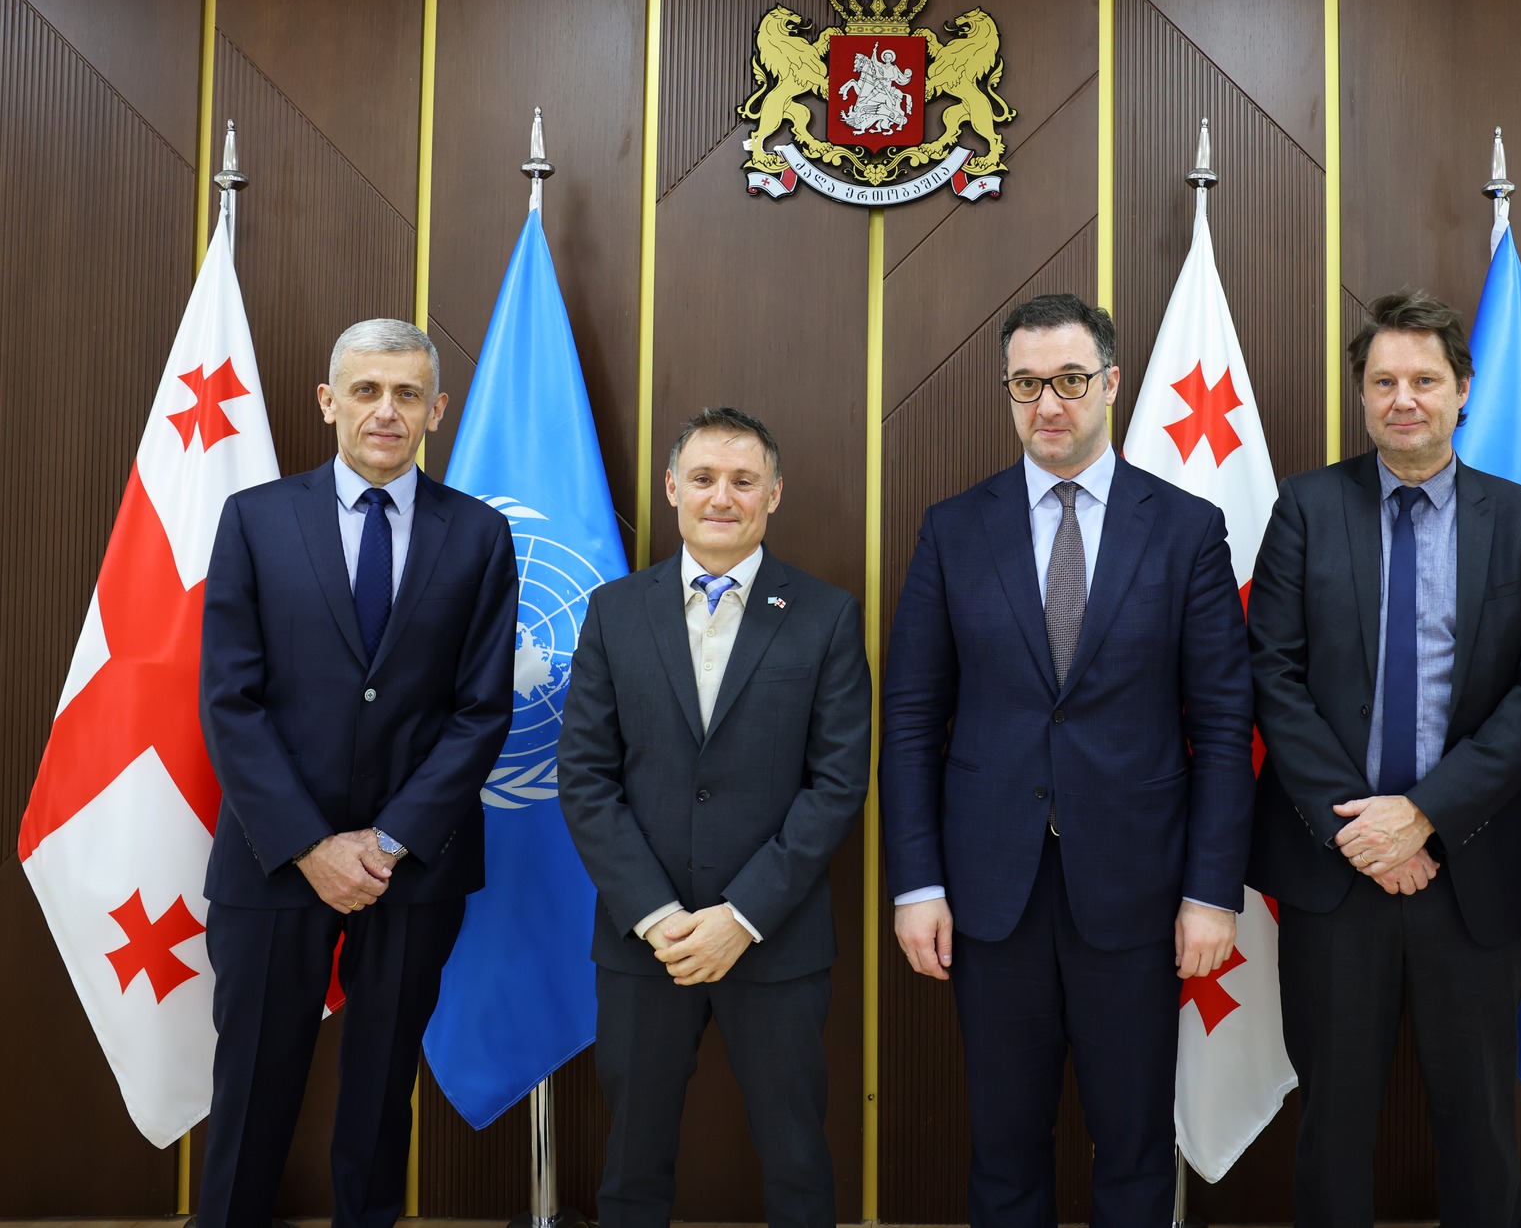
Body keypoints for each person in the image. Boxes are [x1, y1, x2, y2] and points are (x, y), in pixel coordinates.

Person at [881, 293, 1253, 1228]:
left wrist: (1212, 893)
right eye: (1026, 384)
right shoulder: (953, 528)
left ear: (1112, 384)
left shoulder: (1186, 529)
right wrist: (916, 883)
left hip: (1138, 891)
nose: (1048, 403)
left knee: (1133, 1149)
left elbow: (1223, 725)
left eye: (1070, 380)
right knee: (1004, 1151)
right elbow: (914, 719)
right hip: (989, 895)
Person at [1245, 291, 1521, 1228]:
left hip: (1473, 868)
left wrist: (1423, 815)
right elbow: (1273, 674)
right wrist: (1366, 830)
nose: (1404, 399)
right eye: (1384, 381)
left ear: (1463, 390)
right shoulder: (1307, 508)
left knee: (1481, 1124)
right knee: (1333, 1121)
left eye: (1425, 380)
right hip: (1333, 867)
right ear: (1361, 393)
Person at [198, 319, 517, 1228]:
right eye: (367, 390)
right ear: (328, 401)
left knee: (381, 1094)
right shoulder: (256, 520)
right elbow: (229, 701)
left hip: (411, 866)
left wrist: (385, 842)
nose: (387, 410)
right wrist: (310, 845)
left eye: (407, 394)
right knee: (252, 1086)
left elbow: (480, 710)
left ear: (437, 410)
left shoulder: (479, 534)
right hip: (273, 859)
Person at [556, 407, 870, 1228]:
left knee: (798, 1162)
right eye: (702, 478)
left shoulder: (827, 615)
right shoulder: (613, 612)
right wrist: (657, 915)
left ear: (774, 493)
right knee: (631, 1167)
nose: (721, 497)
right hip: (645, 944)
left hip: (774, 936)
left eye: (742, 481)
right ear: (672, 488)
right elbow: (584, 779)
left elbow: (838, 784)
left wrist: (742, 916)